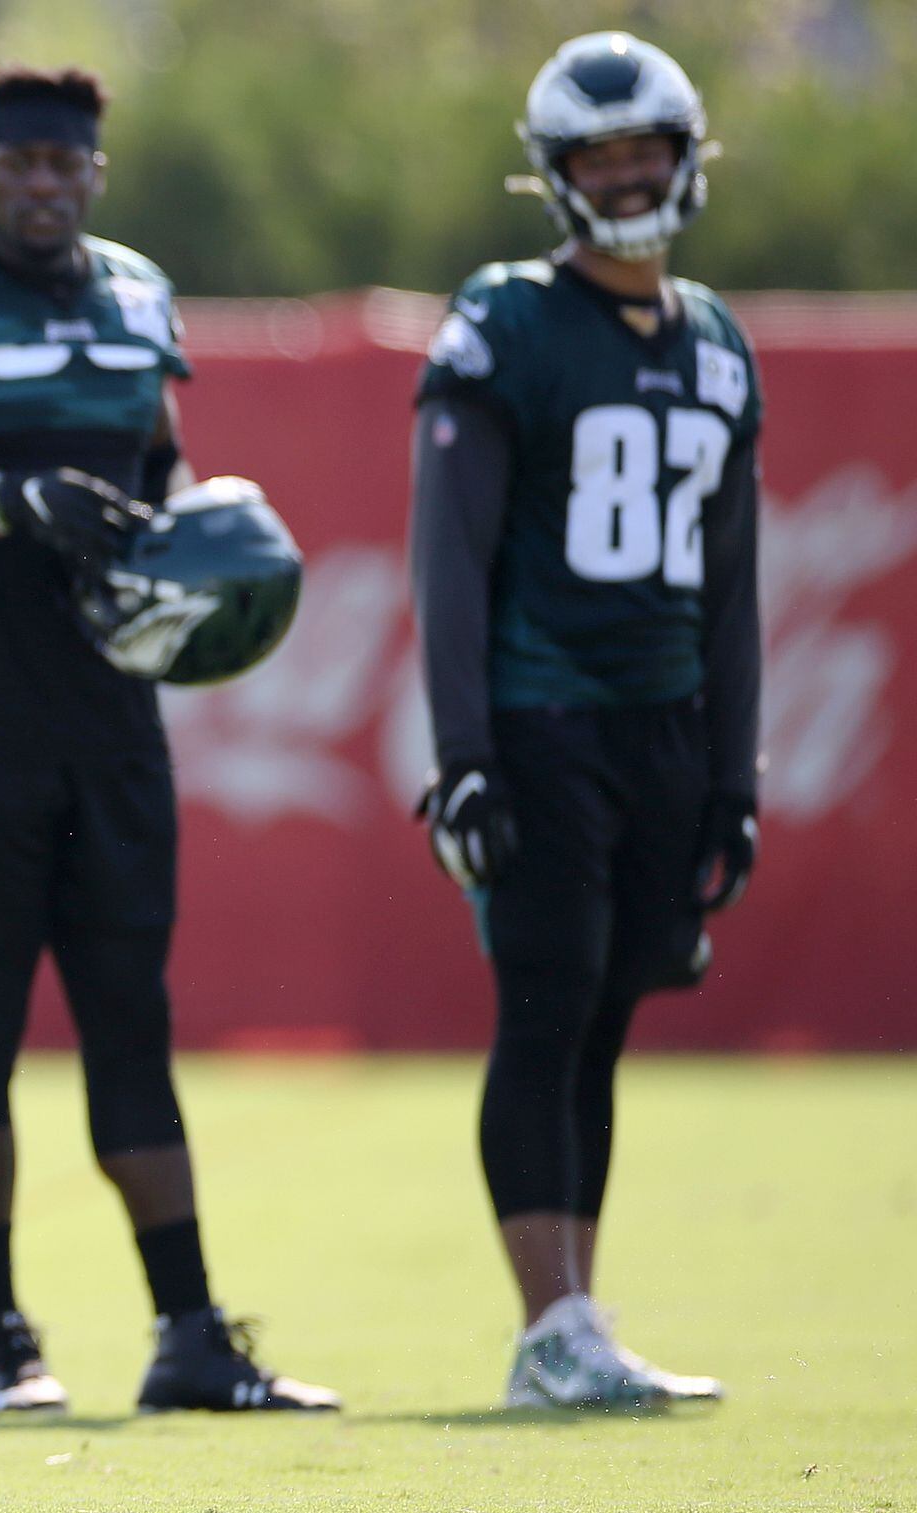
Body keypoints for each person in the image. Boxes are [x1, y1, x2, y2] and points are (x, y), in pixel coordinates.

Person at [0, 64, 337, 1417]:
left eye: (64, 163)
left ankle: (190, 1336)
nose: (42, 183)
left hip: (107, 713)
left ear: (96, 173)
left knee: (131, 1022)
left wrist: (200, 539)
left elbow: (159, 472)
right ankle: (2, 1340)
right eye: (19, 161)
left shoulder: (136, 296)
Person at [411, 33, 762, 1410]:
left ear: (684, 158)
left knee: (605, 1016)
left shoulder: (716, 340)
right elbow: (448, 554)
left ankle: (577, 1322)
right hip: (541, 715)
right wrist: (465, 755)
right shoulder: (508, 320)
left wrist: (732, 773)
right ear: (554, 175)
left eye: (643, 152)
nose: (623, 178)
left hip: (662, 723)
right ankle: (546, 1325)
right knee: (547, 1007)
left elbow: (732, 583)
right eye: (596, 157)